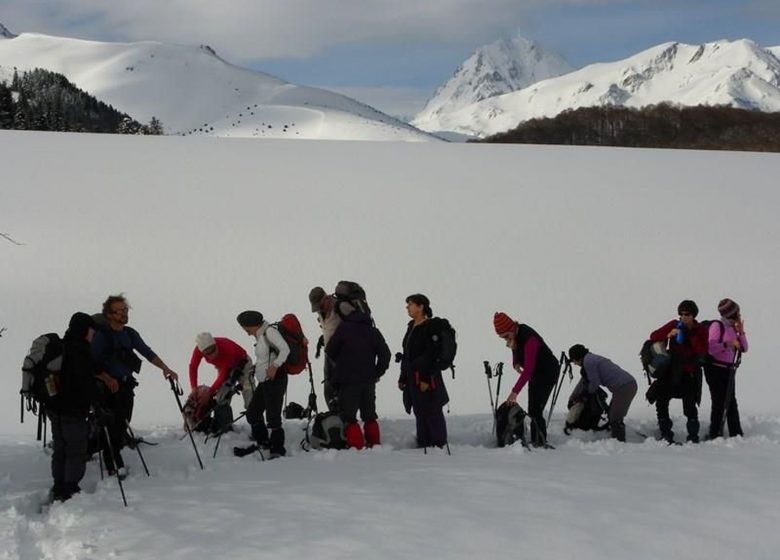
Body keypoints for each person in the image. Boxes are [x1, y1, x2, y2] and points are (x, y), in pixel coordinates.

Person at [92, 294, 178, 476]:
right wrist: (107, 378)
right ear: (109, 314)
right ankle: (113, 463)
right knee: (113, 425)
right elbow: (92, 363)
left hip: (125, 386)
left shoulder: (129, 333)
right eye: (119, 311)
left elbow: (146, 352)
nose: (124, 314)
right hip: (107, 388)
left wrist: (165, 368)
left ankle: (105, 454)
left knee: (122, 423)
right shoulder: (102, 336)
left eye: (125, 310)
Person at [49, 312, 99, 502]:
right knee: (75, 449)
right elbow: (85, 383)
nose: (93, 334)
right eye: (91, 330)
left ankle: (58, 486)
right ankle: (70, 488)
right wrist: (97, 404)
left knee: (60, 448)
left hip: (55, 409)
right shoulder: (80, 352)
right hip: (73, 410)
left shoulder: (63, 346)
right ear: (85, 330)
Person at [325, 304, 391, 449]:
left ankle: (357, 446)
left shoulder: (344, 329)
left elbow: (330, 350)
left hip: (348, 380)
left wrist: (341, 362)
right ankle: (374, 444)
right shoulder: (373, 331)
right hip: (368, 380)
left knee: (348, 416)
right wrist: (376, 372)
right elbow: (386, 355)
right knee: (369, 415)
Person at [493, 312, 559, 447]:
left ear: (511, 328)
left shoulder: (529, 339)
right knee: (532, 407)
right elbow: (514, 349)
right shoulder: (515, 335)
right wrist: (516, 363)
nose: (505, 340)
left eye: (505, 336)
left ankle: (540, 442)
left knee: (536, 409)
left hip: (548, 372)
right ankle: (536, 438)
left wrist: (514, 392)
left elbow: (528, 370)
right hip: (535, 372)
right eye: (502, 338)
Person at [647, 300, 707, 444]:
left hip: (689, 373)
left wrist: (689, 334)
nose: (683, 317)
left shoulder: (700, 330)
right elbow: (653, 336)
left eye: (687, 314)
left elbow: (702, 350)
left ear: (694, 315)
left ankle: (693, 436)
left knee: (690, 406)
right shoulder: (674, 324)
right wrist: (669, 334)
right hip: (671, 371)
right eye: (681, 314)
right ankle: (665, 433)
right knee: (661, 400)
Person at [234, 311, 290, 458]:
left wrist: (275, 366)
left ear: (253, 325)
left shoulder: (269, 332)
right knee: (253, 413)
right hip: (264, 381)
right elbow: (266, 356)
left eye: (247, 330)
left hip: (275, 380)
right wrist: (257, 368)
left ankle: (277, 450)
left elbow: (285, 349)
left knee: (273, 417)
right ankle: (263, 441)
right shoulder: (261, 335)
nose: (247, 333)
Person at [399, 294, 449, 449]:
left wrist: (426, 379)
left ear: (421, 307)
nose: (407, 307)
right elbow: (407, 354)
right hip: (413, 377)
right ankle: (423, 444)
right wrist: (403, 377)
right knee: (419, 412)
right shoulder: (411, 327)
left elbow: (432, 355)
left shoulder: (429, 327)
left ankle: (438, 445)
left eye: (411, 304)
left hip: (427, 378)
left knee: (432, 411)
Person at [567, 344, 638, 442]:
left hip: (624, 387)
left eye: (574, 361)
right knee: (612, 415)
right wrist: (573, 397)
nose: (574, 364)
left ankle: (620, 444)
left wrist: (585, 395)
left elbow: (594, 383)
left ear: (577, 357)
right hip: (625, 386)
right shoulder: (590, 359)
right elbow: (583, 382)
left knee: (615, 418)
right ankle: (616, 440)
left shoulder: (588, 362)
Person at [189, 332, 253, 436]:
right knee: (221, 397)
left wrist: (209, 392)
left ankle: (256, 427)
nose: (212, 354)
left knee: (248, 393)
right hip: (223, 365)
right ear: (202, 351)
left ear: (215, 344)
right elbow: (193, 367)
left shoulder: (226, 348)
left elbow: (223, 375)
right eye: (208, 353)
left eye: (213, 349)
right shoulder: (198, 350)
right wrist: (194, 388)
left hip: (243, 363)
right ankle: (224, 426)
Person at [704, 298, 748, 439]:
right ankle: (715, 433)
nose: (739, 315)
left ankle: (736, 433)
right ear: (731, 313)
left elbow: (744, 348)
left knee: (730, 400)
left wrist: (741, 332)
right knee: (718, 401)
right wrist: (727, 344)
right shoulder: (717, 326)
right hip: (715, 369)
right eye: (737, 312)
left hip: (728, 369)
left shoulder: (732, 328)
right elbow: (711, 348)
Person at [309, 286, 342, 410]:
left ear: (326, 299)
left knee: (340, 390)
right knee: (328, 390)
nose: (319, 309)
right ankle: (334, 419)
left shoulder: (339, 308)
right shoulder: (321, 312)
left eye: (320, 305)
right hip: (328, 354)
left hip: (341, 355)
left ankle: (343, 422)